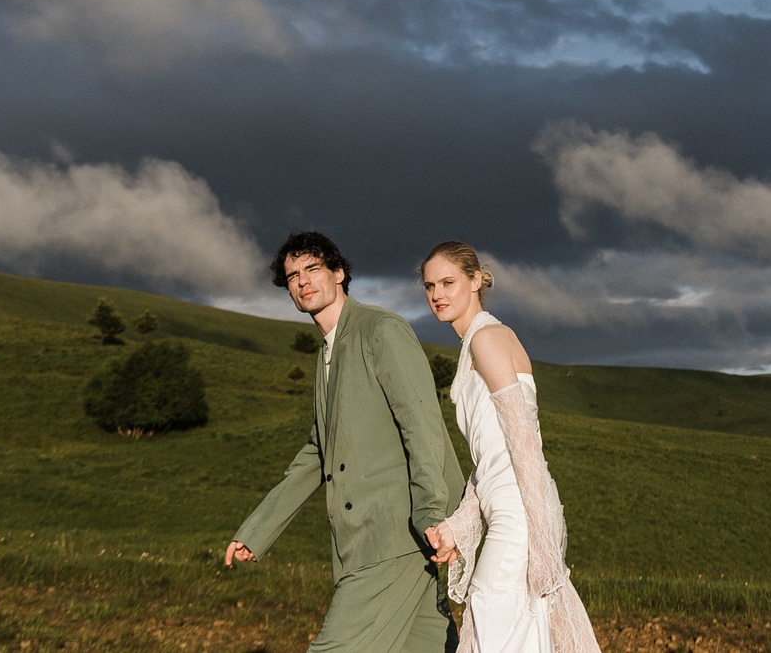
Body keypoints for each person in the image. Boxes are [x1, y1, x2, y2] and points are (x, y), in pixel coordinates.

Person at [226, 230, 465, 653]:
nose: (303, 281)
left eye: (313, 268)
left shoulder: (381, 330)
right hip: (365, 545)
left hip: (394, 536)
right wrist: (257, 531)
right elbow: (317, 453)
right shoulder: (327, 353)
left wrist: (431, 512)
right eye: (293, 276)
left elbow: (422, 426)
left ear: (338, 273)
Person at [419, 242, 601, 653]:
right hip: (508, 506)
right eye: (430, 286)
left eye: (448, 282)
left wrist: (542, 540)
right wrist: (458, 525)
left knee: (493, 620)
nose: (437, 295)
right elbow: (491, 456)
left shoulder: (487, 339)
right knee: (506, 631)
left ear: (476, 281)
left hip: (520, 513)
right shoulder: (475, 343)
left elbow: (524, 442)